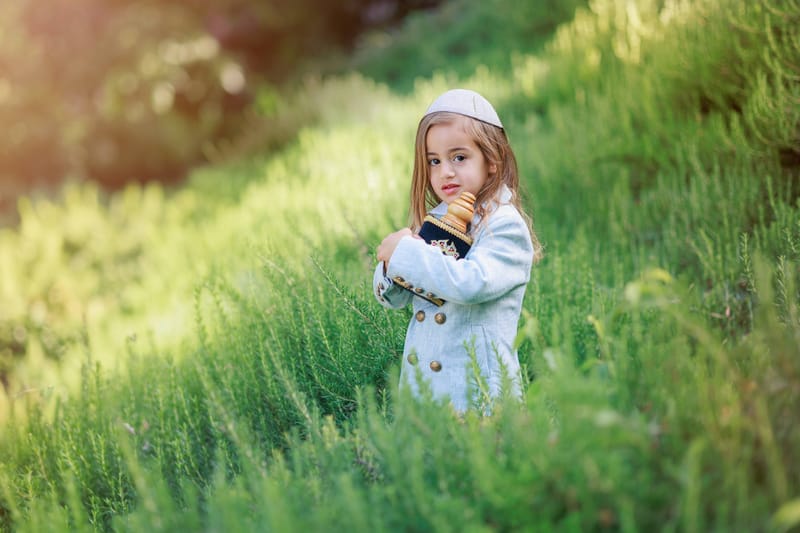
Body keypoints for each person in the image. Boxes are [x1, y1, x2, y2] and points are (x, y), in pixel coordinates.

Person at [373, 88, 541, 413]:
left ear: (492, 160)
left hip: (478, 395)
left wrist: (408, 255)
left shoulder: (503, 225)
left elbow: (470, 283)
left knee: (481, 460)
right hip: (426, 393)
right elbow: (396, 299)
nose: (445, 172)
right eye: (434, 161)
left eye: (459, 157)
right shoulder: (436, 219)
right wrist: (392, 263)